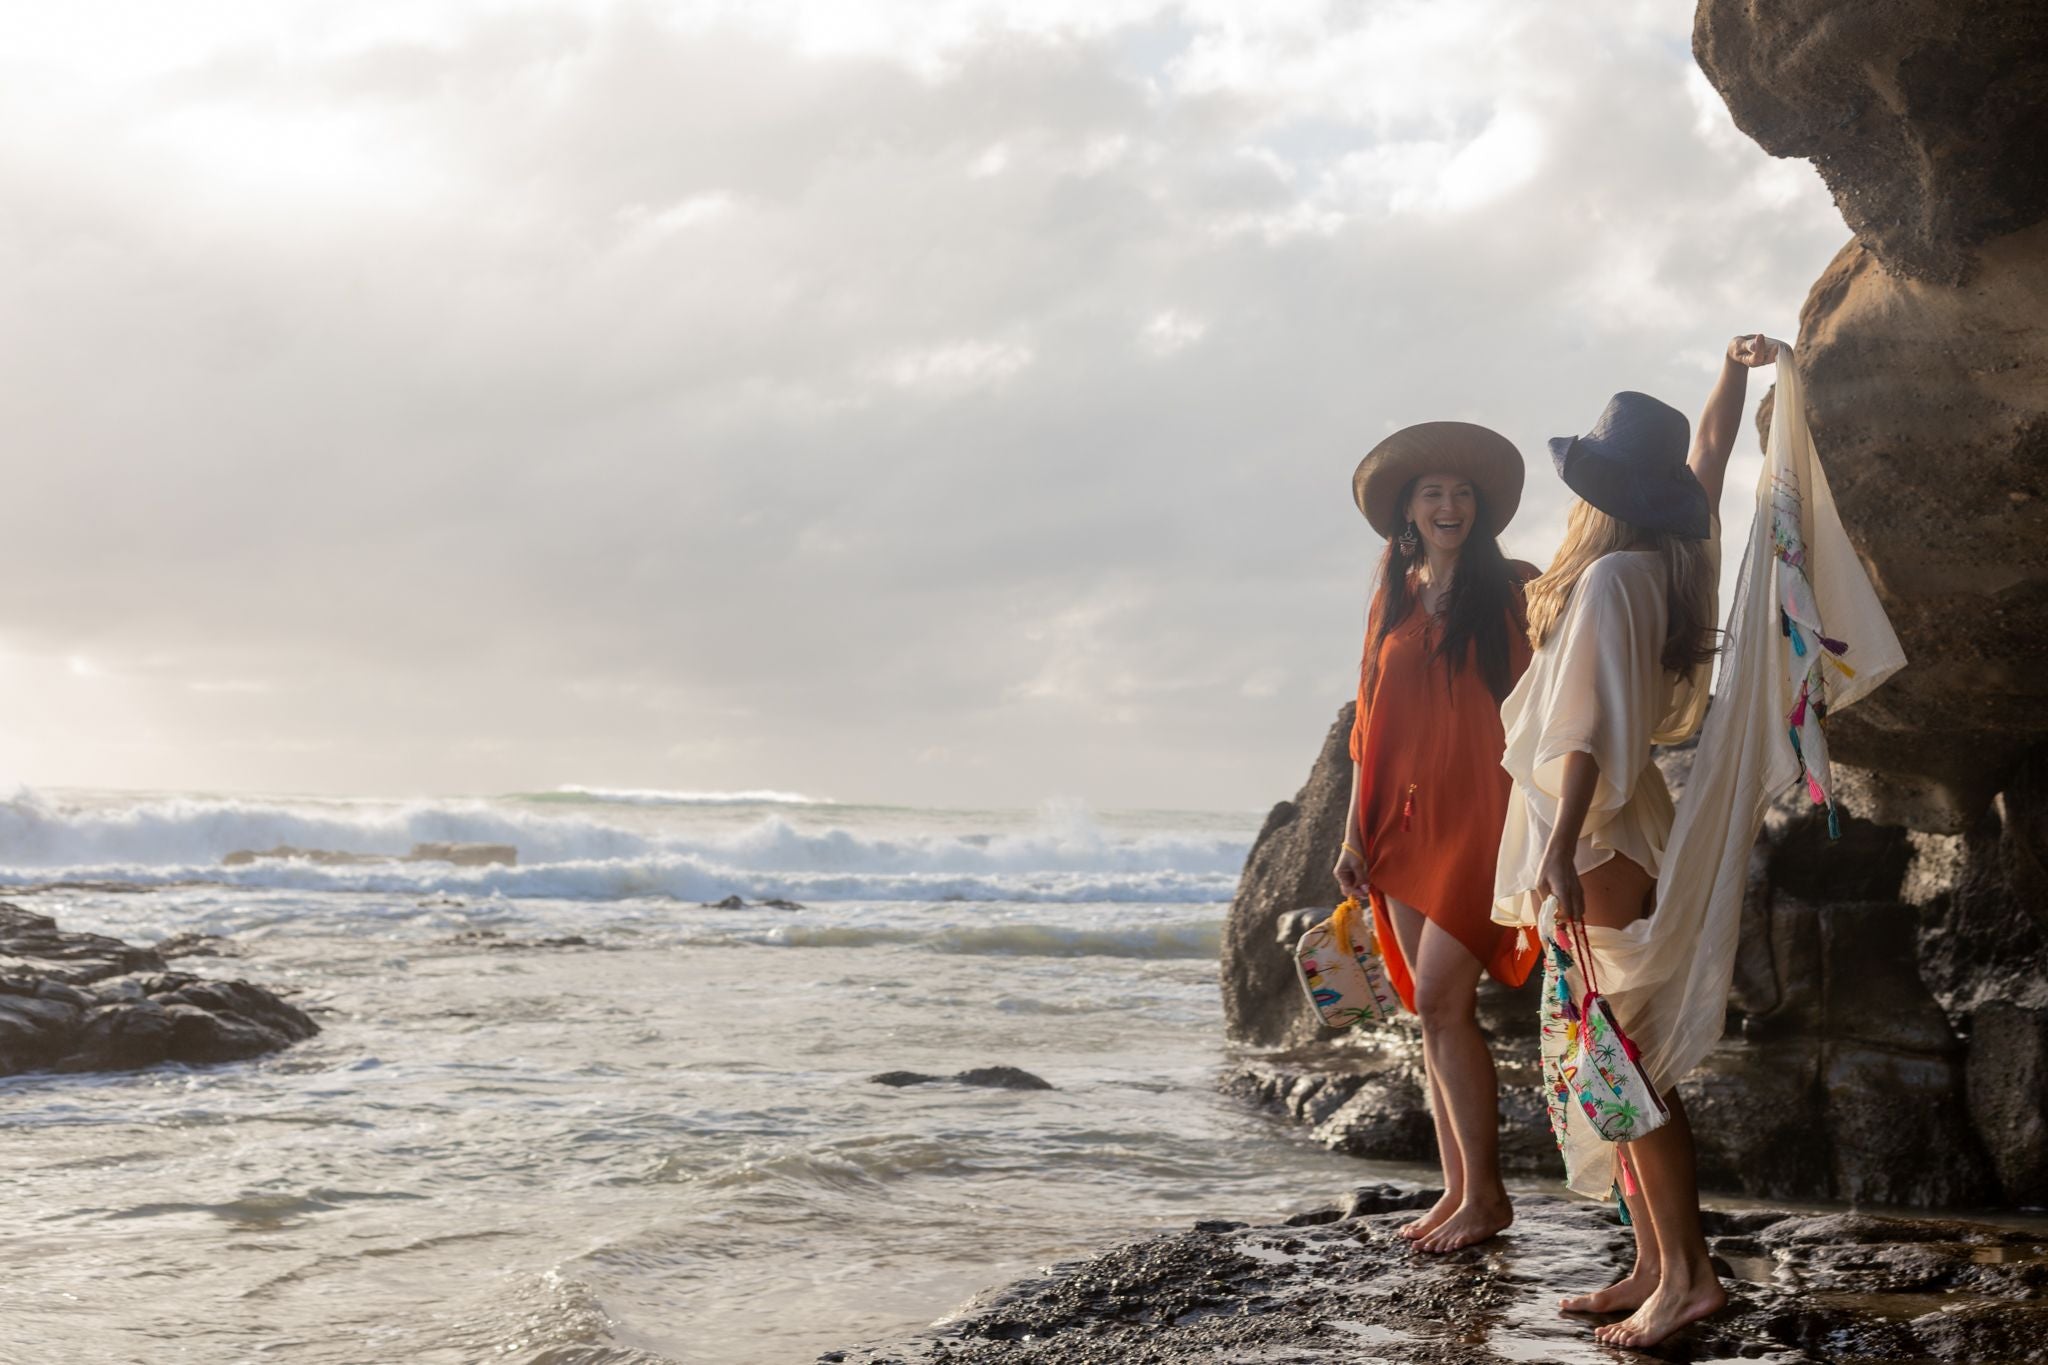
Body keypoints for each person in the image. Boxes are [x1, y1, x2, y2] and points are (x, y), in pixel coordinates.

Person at [1492, 334, 1778, 1347]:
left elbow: (1584, 732)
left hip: (1601, 831)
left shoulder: (1613, 577)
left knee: (1625, 1071)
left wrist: (1558, 845)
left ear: (1598, 491)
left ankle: (1686, 1277)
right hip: (1625, 830)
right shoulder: (1673, 560)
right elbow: (1706, 460)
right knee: (1619, 1065)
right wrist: (1732, 378)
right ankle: (1655, 1262)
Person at [1336, 422, 1543, 1254]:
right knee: (1433, 1013)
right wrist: (1355, 831)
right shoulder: (1394, 594)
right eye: (1433, 492)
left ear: (1479, 506)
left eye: (1461, 491)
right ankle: (1459, 1190)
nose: (1450, 504)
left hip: (1482, 819)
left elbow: (1557, 695)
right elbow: (1366, 723)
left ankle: (1486, 1195)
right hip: (1401, 825)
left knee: (1440, 1000)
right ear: (1409, 511)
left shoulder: (1518, 588)